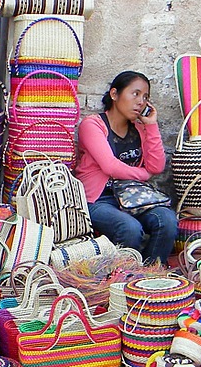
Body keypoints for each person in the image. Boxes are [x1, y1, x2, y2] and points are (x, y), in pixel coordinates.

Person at [74, 70, 178, 265]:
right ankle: (121, 279)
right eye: (135, 93)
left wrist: (151, 126)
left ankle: (149, 276)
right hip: (98, 200)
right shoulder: (93, 125)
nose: (141, 101)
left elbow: (156, 166)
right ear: (115, 94)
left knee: (167, 220)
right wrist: (143, 174)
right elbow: (110, 166)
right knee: (129, 228)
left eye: (145, 97)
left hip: (132, 198)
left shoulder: (139, 129)